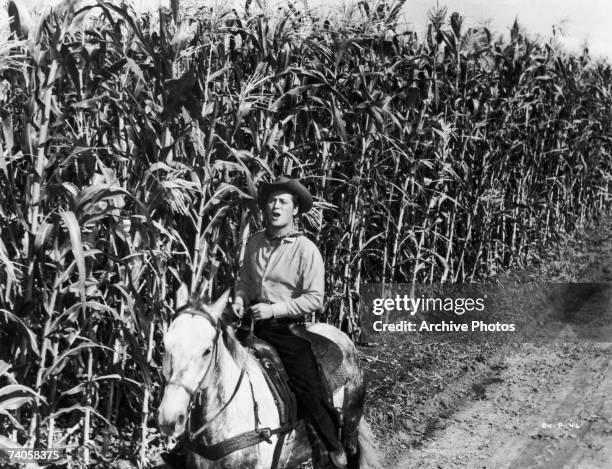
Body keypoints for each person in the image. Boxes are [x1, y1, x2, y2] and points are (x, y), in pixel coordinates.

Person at [232, 176, 347, 469]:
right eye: (272, 201)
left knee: (308, 382)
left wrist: (275, 311)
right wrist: (239, 299)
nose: (275, 207)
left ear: (295, 210)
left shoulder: (305, 249)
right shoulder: (255, 241)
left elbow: (315, 299)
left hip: (284, 327)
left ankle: (333, 446)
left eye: (283, 202)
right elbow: (244, 281)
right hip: (249, 321)